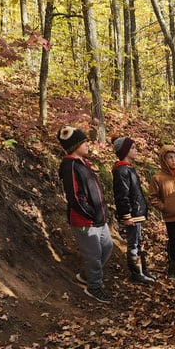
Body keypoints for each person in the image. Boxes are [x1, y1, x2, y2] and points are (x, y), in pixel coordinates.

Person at [57, 126, 113, 303]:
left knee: (107, 247)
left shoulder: (83, 163)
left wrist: (101, 212)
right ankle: (94, 287)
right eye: (84, 142)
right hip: (85, 221)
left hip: (98, 218)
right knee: (93, 255)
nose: (88, 145)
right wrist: (90, 213)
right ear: (74, 146)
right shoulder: (70, 166)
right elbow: (74, 196)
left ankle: (85, 275)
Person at [112, 136, 155, 285]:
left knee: (138, 241)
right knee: (133, 243)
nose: (136, 151)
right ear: (124, 151)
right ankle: (136, 272)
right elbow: (122, 195)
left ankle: (143, 270)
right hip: (132, 214)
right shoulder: (121, 170)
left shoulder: (129, 168)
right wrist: (126, 214)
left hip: (137, 213)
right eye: (133, 148)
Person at [148, 144, 175, 278]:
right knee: (173, 241)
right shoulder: (158, 178)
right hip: (170, 217)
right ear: (163, 160)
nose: (173, 160)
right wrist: (164, 207)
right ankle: (171, 268)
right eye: (170, 158)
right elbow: (153, 197)